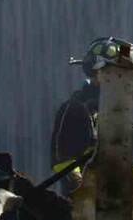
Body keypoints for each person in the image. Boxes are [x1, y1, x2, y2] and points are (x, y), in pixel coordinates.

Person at [50, 37, 127, 193]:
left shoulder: (110, 110)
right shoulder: (76, 110)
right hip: (85, 208)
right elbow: (64, 162)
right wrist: (84, 192)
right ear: (99, 73)